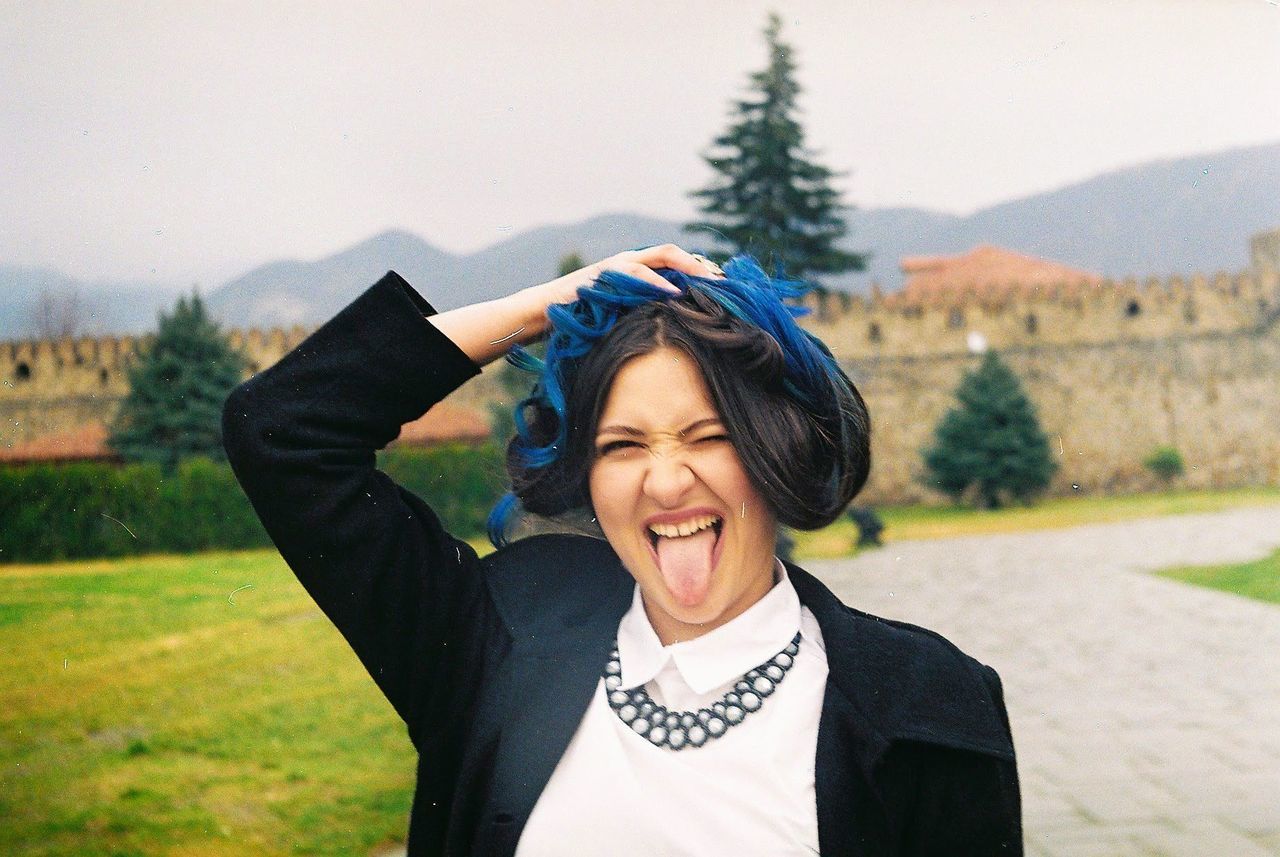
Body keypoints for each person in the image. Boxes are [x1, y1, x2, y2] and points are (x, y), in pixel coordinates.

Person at [222, 244, 1021, 856]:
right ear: (585, 473)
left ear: (776, 454)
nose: (666, 481)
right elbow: (283, 431)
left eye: (711, 436)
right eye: (623, 444)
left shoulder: (928, 705)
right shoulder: (492, 638)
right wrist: (557, 306)